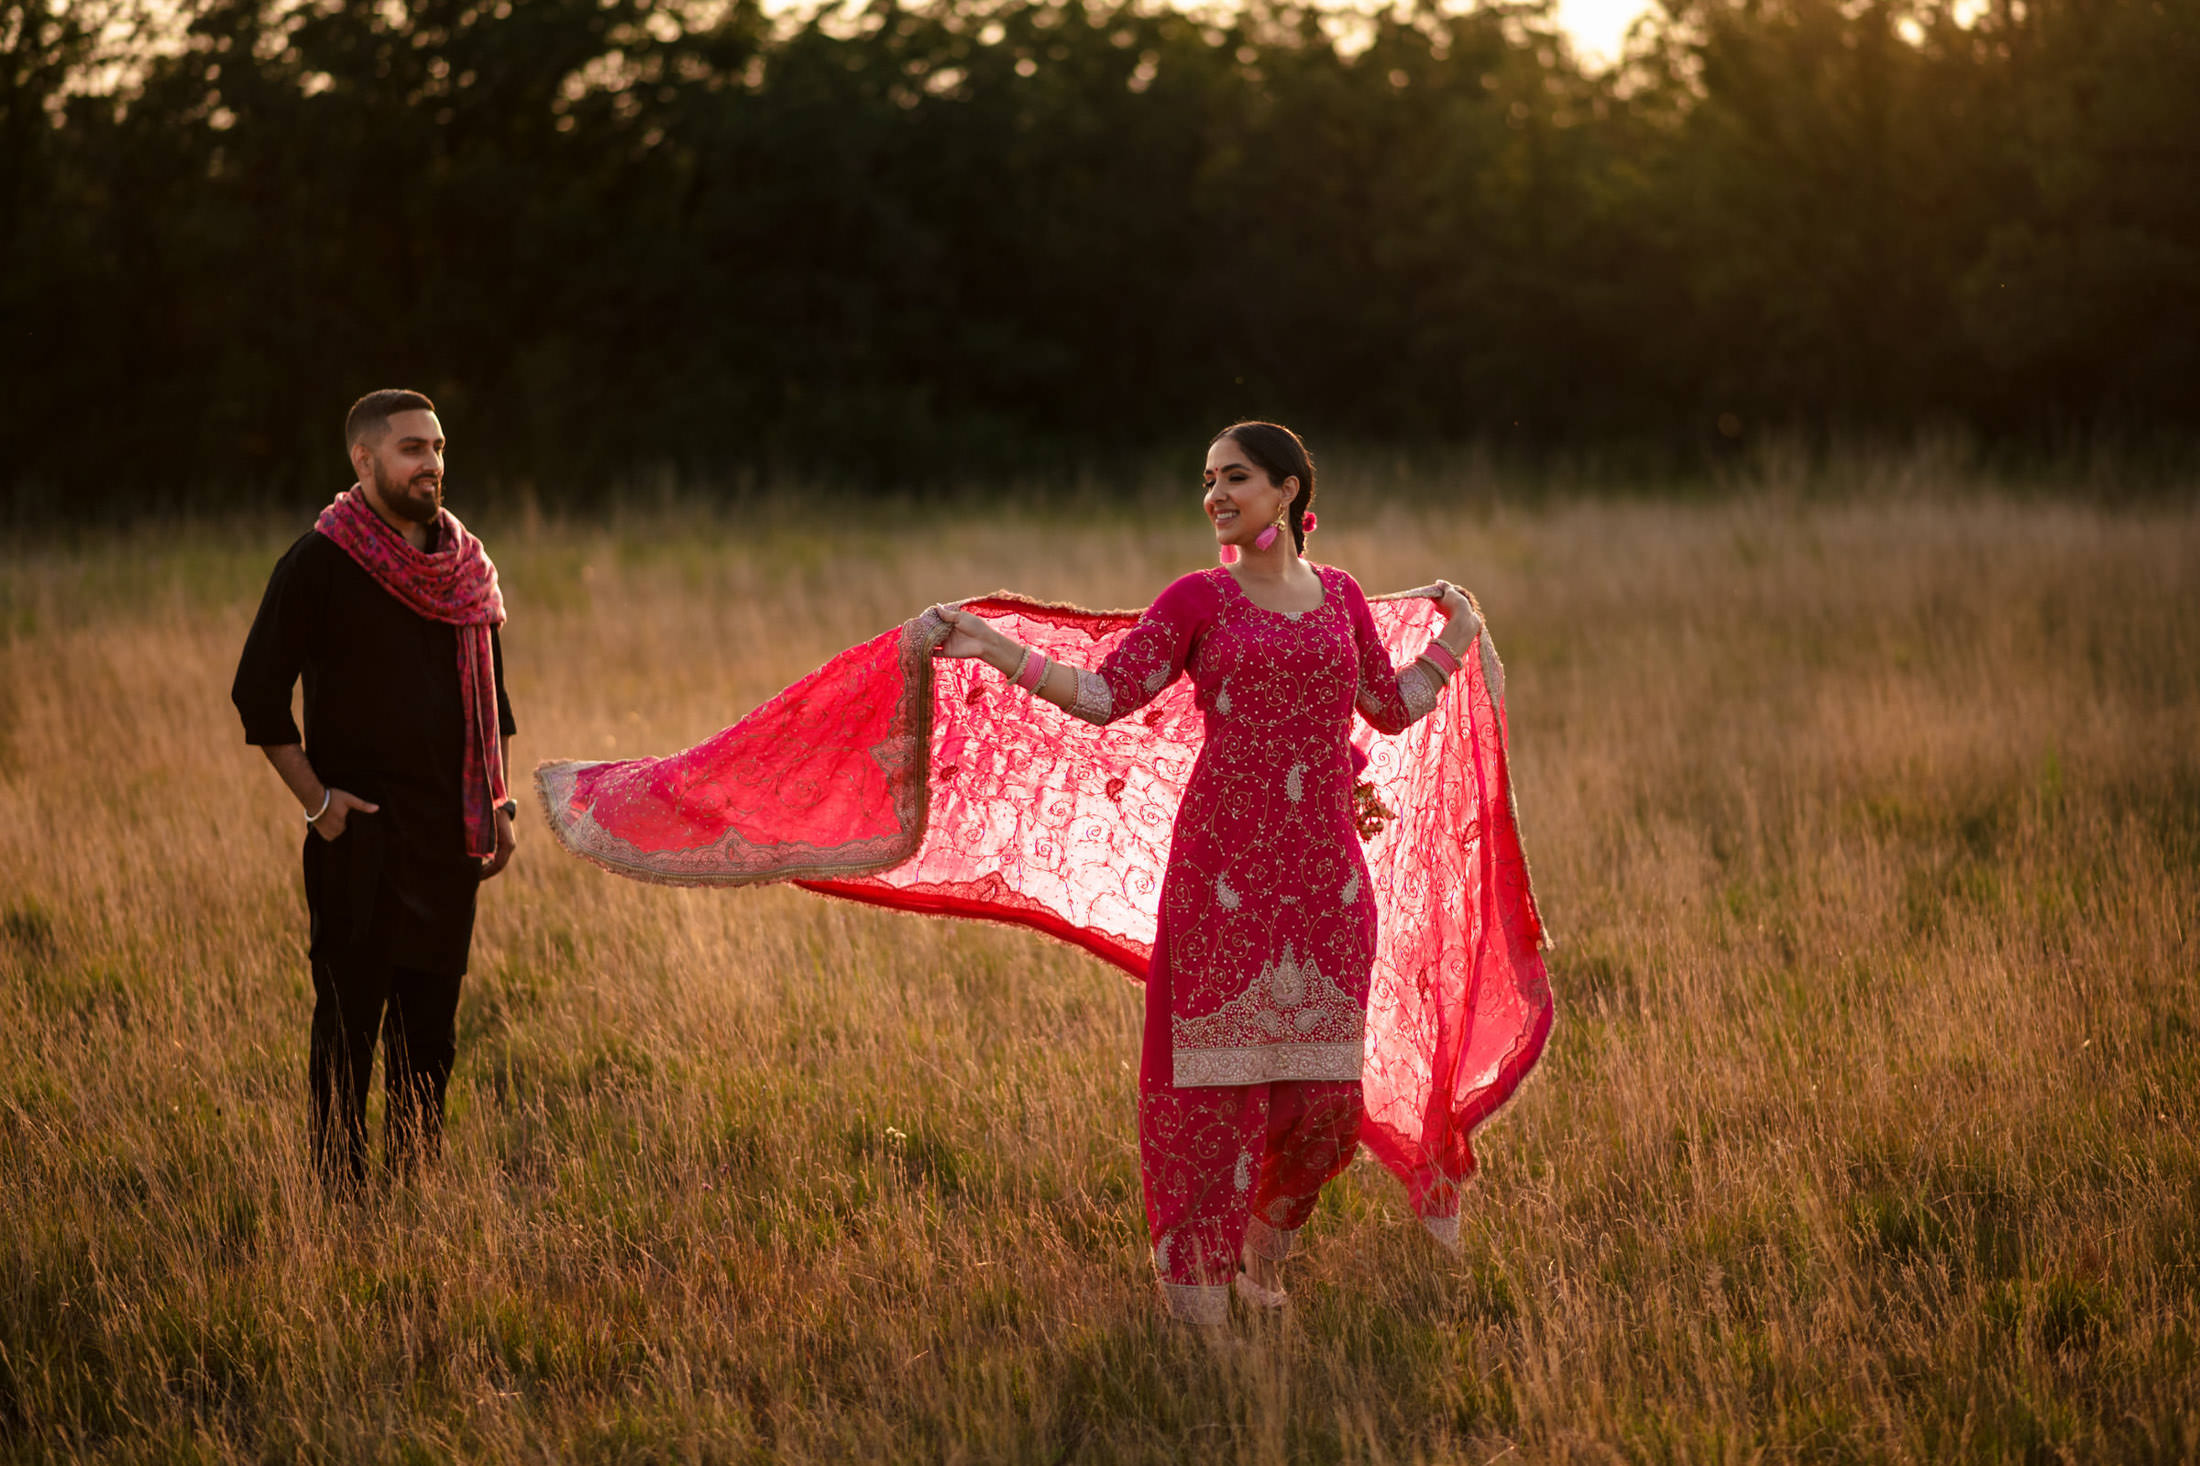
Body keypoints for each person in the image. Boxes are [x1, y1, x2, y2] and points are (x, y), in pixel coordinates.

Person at [930, 422, 1482, 1326]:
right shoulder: (1196, 599)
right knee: (1214, 1098)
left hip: (1327, 880)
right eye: (1208, 480)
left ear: (1289, 491)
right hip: (1222, 872)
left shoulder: (1342, 597)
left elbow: (1388, 708)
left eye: (1236, 478)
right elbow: (1106, 696)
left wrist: (1453, 640)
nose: (1215, 495)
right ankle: (1201, 1298)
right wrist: (994, 648)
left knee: (1327, 1103)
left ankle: (1263, 1260)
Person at [231, 389, 518, 1192]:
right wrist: (320, 805)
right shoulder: (321, 562)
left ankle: (416, 1193)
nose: (432, 463)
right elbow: (257, 694)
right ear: (363, 460)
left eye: (437, 447)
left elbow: (492, 702)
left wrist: (499, 807)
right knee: (347, 1033)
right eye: (411, 448)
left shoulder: (465, 569)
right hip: (359, 838)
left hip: (450, 839)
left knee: (431, 1040)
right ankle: (341, 1204)